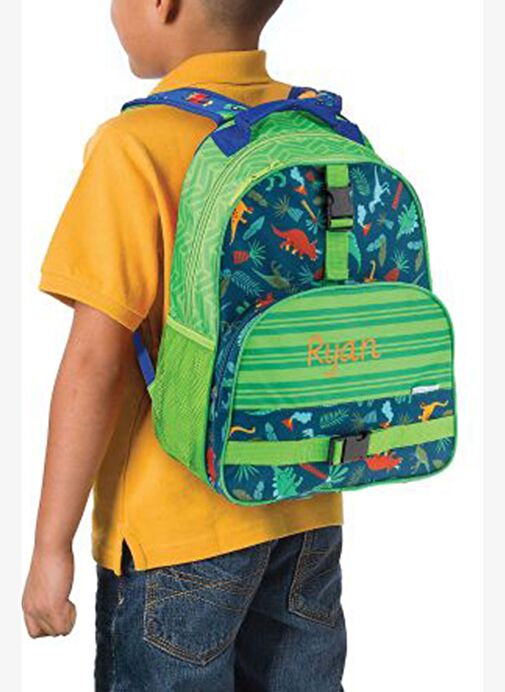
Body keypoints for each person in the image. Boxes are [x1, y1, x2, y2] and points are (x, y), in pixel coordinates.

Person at [22, 1, 346, 689]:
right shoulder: (319, 129)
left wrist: (51, 546)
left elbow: (94, 362)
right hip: (307, 507)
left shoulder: (136, 144)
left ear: (162, 3)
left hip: (175, 532)